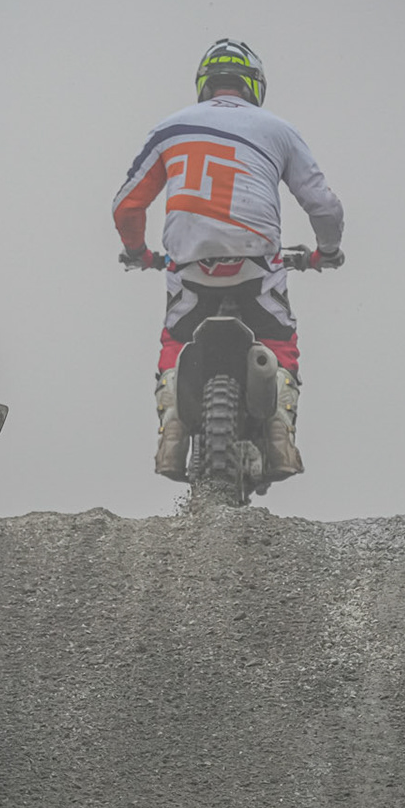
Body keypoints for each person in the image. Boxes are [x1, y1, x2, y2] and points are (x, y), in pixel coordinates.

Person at [111, 38, 344, 482]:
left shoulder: (170, 129)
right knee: (279, 340)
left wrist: (138, 251)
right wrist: (327, 251)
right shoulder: (278, 129)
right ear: (254, 85)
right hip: (256, 261)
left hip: (190, 264)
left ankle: (172, 432)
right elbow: (324, 206)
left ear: (204, 84)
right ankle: (280, 433)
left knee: (175, 341)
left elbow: (126, 207)